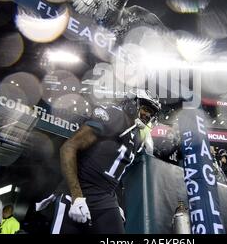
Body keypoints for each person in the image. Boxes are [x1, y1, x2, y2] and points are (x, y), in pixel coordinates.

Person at [51, 89, 161, 234]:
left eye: (151, 113)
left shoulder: (138, 137)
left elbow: (116, 174)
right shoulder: (114, 115)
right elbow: (68, 148)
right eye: (146, 109)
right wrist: (76, 196)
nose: (148, 115)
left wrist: (116, 205)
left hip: (105, 199)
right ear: (132, 104)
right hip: (80, 190)